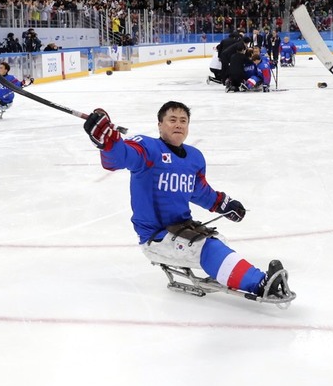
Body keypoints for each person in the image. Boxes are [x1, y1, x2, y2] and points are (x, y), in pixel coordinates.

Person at [81, 101, 292, 301]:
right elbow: (121, 156)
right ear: (160, 125)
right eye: (172, 119)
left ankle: (233, 271)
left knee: (218, 242)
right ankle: (261, 284)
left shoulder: (194, 157)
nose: (178, 124)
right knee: (207, 248)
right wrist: (107, 142)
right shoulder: (147, 148)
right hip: (156, 237)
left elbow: (200, 192)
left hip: (182, 229)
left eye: (183, 120)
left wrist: (224, 204)